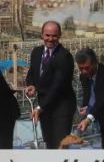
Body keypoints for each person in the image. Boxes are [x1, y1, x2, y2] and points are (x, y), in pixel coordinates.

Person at [25, 21, 77, 149]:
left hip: (61, 109)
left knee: (60, 146)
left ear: (59, 35)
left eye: (54, 36)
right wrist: (31, 85)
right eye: (47, 35)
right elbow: (32, 72)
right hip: (45, 109)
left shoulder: (64, 57)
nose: (50, 39)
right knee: (49, 144)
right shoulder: (36, 52)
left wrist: (40, 107)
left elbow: (58, 87)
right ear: (42, 35)